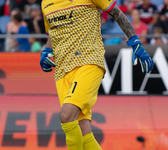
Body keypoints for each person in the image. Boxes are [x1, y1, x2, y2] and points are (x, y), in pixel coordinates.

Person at [40, 1, 154, 150]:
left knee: (66, 115)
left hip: (88, 62)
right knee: (82, 129)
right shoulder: (45, 3)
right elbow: (53, 32)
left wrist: (135, 41)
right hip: (62, 70)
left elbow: (117, 13)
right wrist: (46, 51)